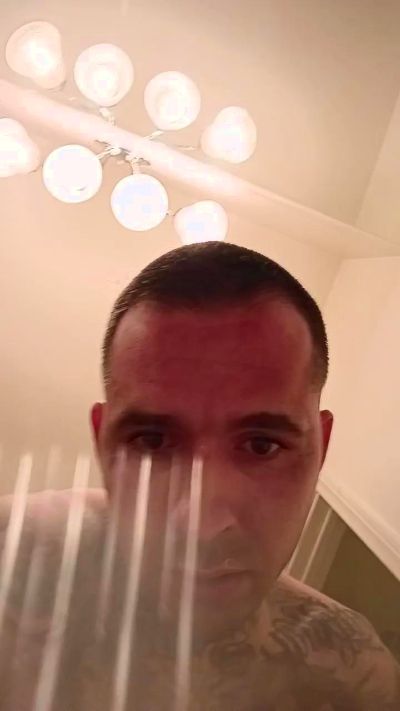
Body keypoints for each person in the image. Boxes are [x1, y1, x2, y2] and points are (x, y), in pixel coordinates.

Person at [0, 241, 399, 710]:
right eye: (152, 441)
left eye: (262, 446)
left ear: (321, 449)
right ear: (102, 442)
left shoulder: (352, 678)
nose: (201, 526)